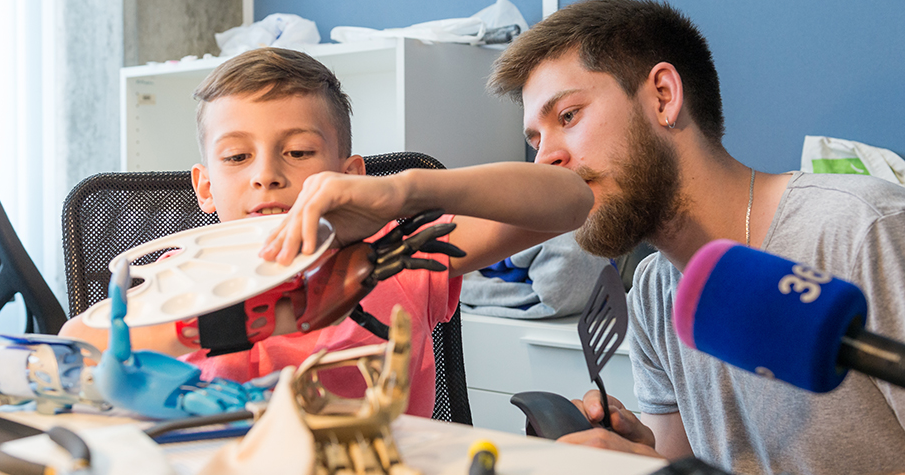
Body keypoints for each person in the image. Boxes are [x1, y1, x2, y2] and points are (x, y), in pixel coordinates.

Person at [488, 0, 905, 475]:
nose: (545, 159)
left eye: (569, 116)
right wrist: (637, 453)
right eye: (536, 139)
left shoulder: (864, 229)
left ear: (663, 96)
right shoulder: (653, 290)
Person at [60, 46, 594, 417]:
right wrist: (252, 317)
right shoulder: (177, 273)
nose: (266, 173)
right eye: (236, 156)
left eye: (298, 152)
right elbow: (75, 345)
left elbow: (569, 200)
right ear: (204, 188)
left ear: (350, 175)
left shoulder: (396, 257)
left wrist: (403, 193)